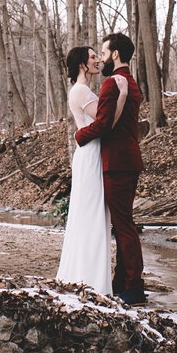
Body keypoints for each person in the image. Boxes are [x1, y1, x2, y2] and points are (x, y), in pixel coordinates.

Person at [75, 33, 146, 306]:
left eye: (103, 52)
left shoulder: (112, 84)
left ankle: (134, 287)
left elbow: (104, 124)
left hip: (117, 163)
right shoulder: (131, 83)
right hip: (127, 160)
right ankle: (121, 280)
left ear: (115, 54)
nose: (101, 57)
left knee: (124, 225)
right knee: (122, 222)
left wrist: (80, 136)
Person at [56, 46, 128, 295]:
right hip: (90, 157)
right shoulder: (81, 90)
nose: (98, 60)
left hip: (93, 153)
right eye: (93, 57)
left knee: (95, 215)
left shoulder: (84, 89)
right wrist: (122, 95)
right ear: (82, 65)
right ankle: (89, 280)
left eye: (99, 55)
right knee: (92, 215)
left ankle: (90, 277)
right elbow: (106, 123)